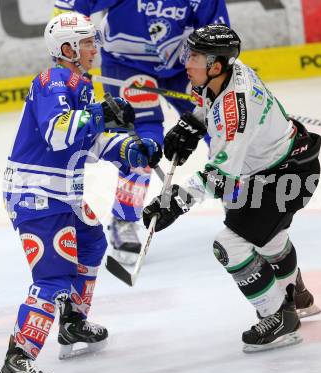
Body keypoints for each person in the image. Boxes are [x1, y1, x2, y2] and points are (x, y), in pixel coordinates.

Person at [142, 24, 321, 353]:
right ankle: (296, 297)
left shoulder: (234, 111)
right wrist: (193, 123)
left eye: (194, 56)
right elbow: (209, 103)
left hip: (285, 178)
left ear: (215, 64)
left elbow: (221, 175)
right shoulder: (229, 72)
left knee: (230, 246)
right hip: (282, 167)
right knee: (269, 237)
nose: (187, 62)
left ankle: (280, 319)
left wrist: (173, 203)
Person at [0, 12, 161, 373]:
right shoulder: (53, 80)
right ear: (68, 48)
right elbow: (58, 133)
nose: (95, 47)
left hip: (63, 192)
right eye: (88, 41)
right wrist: (100, 113)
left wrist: (129, 151)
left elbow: (87, 142)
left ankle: (72, 323)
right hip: (36, 194)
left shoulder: (79, 82)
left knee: (91, 246)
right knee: (53, 278)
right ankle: (17, 361)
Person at [53, 0, 230, 265]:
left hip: (186, 64)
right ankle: (125, 217)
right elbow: (68, 8)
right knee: (143, 143)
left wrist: (220, 82)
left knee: (221, 127)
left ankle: (238, 196)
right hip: (127, 65)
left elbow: (218, 34)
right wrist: (73, 62)